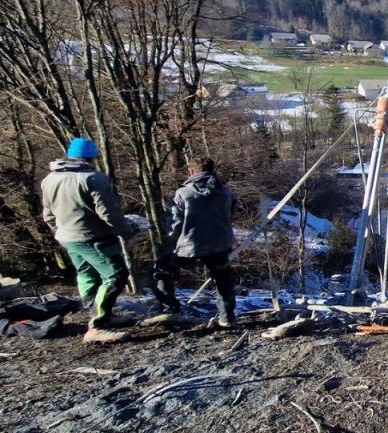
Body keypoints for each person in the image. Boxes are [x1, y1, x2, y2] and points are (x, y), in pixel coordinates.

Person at [41, 137, 137, 343]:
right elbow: (109, 214)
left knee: (87, 274)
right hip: (93, 238)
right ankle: (98, 325)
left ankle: (99, 313)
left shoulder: (50, 179)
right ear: (92, 158)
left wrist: (63, 231)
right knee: (115, 275)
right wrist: (127, 233)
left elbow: (48, 215)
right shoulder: (93, 179)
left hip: (67, 237)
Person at [153, 157, 239, 329]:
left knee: (161, 272)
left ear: (192, 171)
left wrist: (171, 240)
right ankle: (227, 317)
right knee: (223, 279)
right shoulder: (225, 192)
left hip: (189, 245)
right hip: (219, 243)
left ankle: (170, 310)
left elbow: (174, 224)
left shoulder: (183, 193)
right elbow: (231, 213)